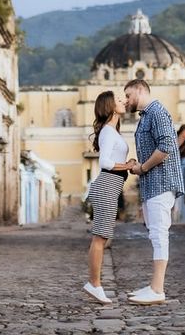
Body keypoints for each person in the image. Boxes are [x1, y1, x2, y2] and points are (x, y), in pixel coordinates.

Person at [124, 77, 184, 305]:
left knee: (159, 234)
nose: (127, 100)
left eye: (128, 95)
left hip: (161, 181)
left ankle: (158, 289)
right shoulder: (146, 116)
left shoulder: (157, 111)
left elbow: (166, 148)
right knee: (154, 233)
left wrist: (142, 167)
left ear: (140, 90)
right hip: (152, 184)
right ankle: (153, 285)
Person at [83, 89, 138, 305]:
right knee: (100, 238)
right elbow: (104, 162)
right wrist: (127, 165)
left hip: (111, 185)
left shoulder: (112, 131)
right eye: (118, 99)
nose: (124, 101)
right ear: (109, 105)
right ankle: (94, 284)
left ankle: (94, 284)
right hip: (107, 184)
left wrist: (128, 164)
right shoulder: (107, 131)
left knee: (102, 237)